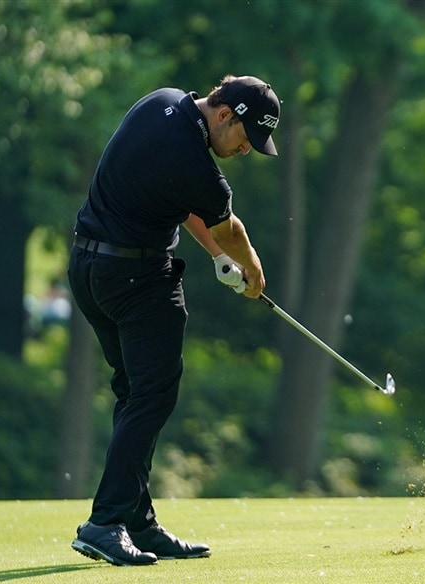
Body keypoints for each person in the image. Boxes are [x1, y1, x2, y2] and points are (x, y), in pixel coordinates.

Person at [66, 75, 279, 566]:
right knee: (153, 395)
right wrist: (252, 271)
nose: (246, 150)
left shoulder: (159, 104)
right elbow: (230, 228)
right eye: (246, 139)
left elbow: (179, 204)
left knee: (134, 393)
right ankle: (106, 522)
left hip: (88, 269)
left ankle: (136, 523)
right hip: (137, 279)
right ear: (225, 115)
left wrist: (213, 255)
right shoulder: (200, 169)